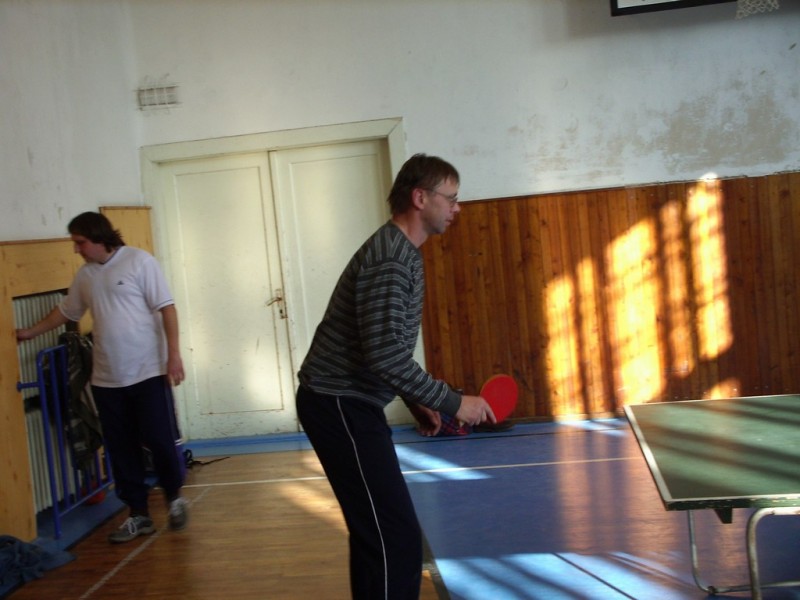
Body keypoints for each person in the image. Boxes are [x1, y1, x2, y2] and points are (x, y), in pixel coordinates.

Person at [296, 154, 496, 600]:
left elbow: (383, 347)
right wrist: (452, 401)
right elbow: (385, 355)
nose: (457, 207)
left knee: (380, 531)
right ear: (420, 197)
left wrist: (414, 398)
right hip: (338, 403)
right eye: (451, 198)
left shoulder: (403, 252)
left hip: (348, 403)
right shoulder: (391, 259)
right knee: (393, 535)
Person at [16, 212, 189, 543]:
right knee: (120, 448)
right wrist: (29, 332)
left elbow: (167, 308)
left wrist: (174, 355)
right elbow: (67, 311)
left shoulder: (139, 261)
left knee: (159, 440)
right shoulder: (85, 276)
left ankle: (174, 497)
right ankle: (138, 514)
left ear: (98, 238)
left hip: (148, 371)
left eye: (80, 242)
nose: (76, 249)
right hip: (107, 379)